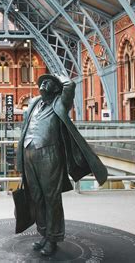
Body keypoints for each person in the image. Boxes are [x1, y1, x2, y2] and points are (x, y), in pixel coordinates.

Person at [16, 74, 108, 257]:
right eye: (42, 81)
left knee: (51, 198)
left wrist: (56, 76)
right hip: (29, 153)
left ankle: (54, 237)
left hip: (49, 154)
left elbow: (70, 84)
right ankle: (44, 233)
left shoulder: (60, 103)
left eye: (48, 81)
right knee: (36, 197)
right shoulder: (34, 103)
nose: (44, 83)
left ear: (57, 88)